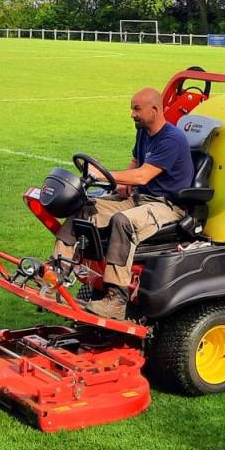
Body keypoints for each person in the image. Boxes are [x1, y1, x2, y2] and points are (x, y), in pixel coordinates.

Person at [54, 86, 194, 318]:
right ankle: (55, 274)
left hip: (167, 205)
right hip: (139, 199)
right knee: (84, 207)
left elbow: (142, 176)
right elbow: (136, 160)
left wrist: (103, 174)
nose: (132, 114)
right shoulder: (144, 132)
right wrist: (122, 184)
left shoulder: (172, 139)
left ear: (155, 109)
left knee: (123, 221)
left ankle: (116, 300)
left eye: (136, 109)